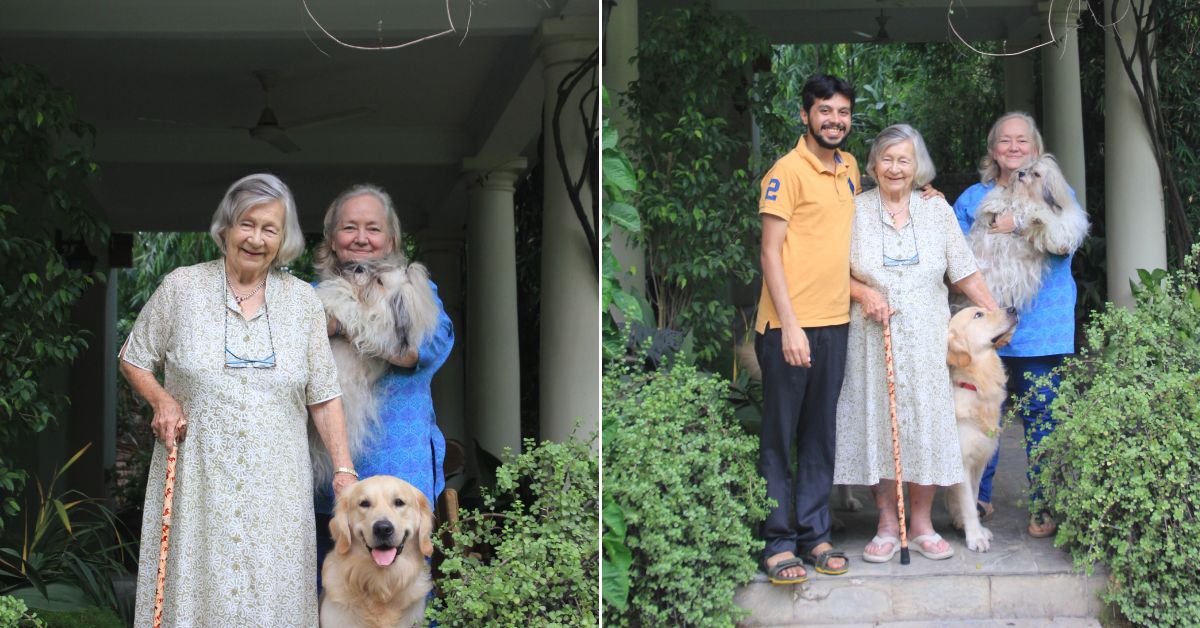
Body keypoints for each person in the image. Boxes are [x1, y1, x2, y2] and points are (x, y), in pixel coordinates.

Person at [120, 173, 355, 626]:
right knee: (198, 591)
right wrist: (161, 400)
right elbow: (134, 357)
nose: (256, 238)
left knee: (274, 595)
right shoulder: (181, 288)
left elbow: (324, 395)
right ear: (226, 227)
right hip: (199, 477)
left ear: (283, 239)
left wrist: (344, 470)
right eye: (247, 224)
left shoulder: (303, 302)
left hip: (278, 486)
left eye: (270, 229)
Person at [832, 124, 998, 562]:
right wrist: (863, 292)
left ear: (917, 167)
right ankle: (887, 523)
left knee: (924, 425)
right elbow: (829, 270)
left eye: (904, 159)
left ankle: (921, 523)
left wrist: (994, 314)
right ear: (872, 165)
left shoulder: (936, 210)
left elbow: (962, 270)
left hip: (927, 338)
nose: (894, 167)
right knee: (878, 425)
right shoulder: (854, 210)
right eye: (886, 159)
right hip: (871, 337)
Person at [311, 183, 454, 575]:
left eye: (372, 228)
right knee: (329, 587)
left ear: (391, 239)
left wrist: (341, 325)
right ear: (332, 240)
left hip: (398, 470)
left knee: (398, 590)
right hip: (327, 476)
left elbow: (415, 352)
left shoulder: (417, 288)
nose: (361, 239)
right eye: (349, 228)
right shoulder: (306, 296)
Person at [754, 74, 861, 583]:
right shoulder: (785, 172)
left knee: (820, 435)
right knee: (780, 437)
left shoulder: (851, 169)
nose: (834, 120)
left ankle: (815, 534)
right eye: (825, 111)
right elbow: (769, 252)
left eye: (842, 112)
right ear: (805, 114)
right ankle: (778, 542)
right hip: (787, 328)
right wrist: (790, 326)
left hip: (836, 323)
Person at [952, 112, 1079, 538]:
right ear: (993, 150)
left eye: (1022, 140)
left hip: (1041, 328)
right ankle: (978, 498)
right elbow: (951, 252)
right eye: (1004, 141)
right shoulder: (974, 197)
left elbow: (1064, 241)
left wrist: (1019, 223)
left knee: (1044, 413)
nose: (1013, 147)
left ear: (1036, 147)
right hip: (986, 333)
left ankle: (1044, 505)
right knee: (982, 417)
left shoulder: (1056, 192)